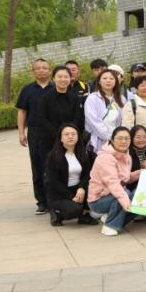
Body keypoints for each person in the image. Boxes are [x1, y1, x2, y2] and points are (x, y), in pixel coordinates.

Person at [87, 126, 140, 237]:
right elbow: (113, 183)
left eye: (127, 138)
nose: (123, 141)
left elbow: (125, 178)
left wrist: (142, 173)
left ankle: (110, 217)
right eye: (120, 138)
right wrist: (125, 200)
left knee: (137, 202)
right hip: (98, 200)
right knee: (127, 195)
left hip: (114, 194)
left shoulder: (127, 156)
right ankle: (110, 226)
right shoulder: (105, 158)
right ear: (112, 140)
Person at [17, 58, 52, 214]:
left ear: (49, 70)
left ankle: (56, 199)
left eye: (44, 67)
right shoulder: (27, 90)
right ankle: (42, 202)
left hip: (54, 133)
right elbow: (22, 111)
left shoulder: (56, 87)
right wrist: (21, 132)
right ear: (33, 71)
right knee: (37, 166)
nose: (41, 70)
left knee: (54, 165)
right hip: (35, 133)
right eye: (38, 68)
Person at [44, 124, 96, 227]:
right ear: (61, 138)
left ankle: (82, 214)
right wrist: (71, 196)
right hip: (59, 194)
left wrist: (81, 188)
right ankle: (57, 214)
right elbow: (53, 181)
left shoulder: (84, 153)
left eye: (73, 134)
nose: (70, 136)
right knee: (75, 209)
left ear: (78, 136)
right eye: (66, 134)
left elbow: (87, 175)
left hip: (78, 190)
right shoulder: (53, 156)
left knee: (97, 197)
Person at [35, 64, 84, 149]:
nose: (63, 79)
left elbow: (78, 118)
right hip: (49, 140)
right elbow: (42, 119)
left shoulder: (74, 98)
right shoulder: (45, 98)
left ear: (70, 78)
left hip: (70, 139)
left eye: (66, 77)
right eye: (59, 77)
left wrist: (68, 134)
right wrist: (59, 135)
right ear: (53, 79)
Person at [84, 68, 124, 155]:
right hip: (100, 142)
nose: (108, 81)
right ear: (99, 81)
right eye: (104, 78)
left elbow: (124, 120)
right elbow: (93, 121)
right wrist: (111, 138)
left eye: (111, 78)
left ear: (116, 81)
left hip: (119, 142)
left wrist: (121, 138)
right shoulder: (92, 98)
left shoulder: (121, 98)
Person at [122, 76, 146, 145]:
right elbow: (127, 126)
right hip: (139, 144)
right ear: (136, 89)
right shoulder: (131, 105)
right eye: (142, 86)